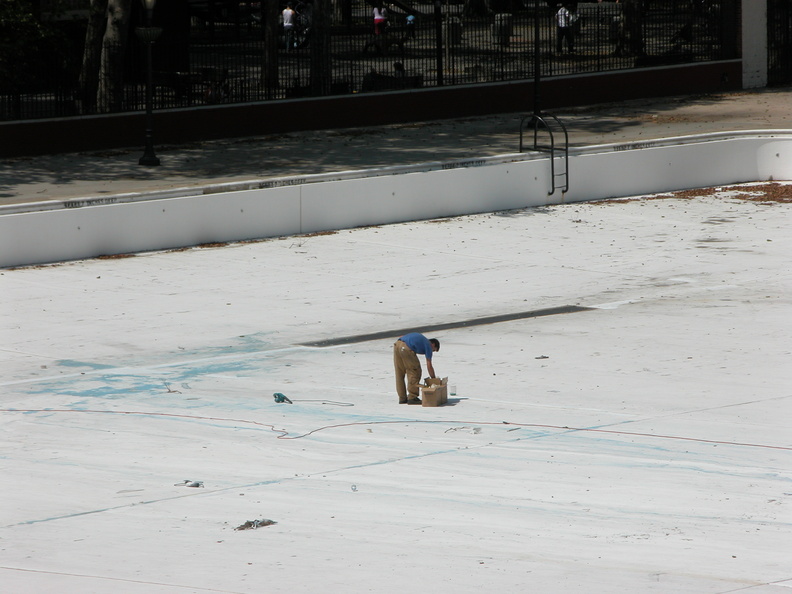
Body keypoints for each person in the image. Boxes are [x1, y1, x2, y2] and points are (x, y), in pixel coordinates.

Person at [393, 333, 440, 404]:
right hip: (406, 348)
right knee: (415, 371)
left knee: (399, 372)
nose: (432, 352)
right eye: (434, 350)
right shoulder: (428, 345)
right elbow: (429, 365)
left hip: (397, 345)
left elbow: (403, 336)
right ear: (433, 344)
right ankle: (412, 397)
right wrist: (433, 379)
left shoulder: (422, 339)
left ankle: (402, 398)